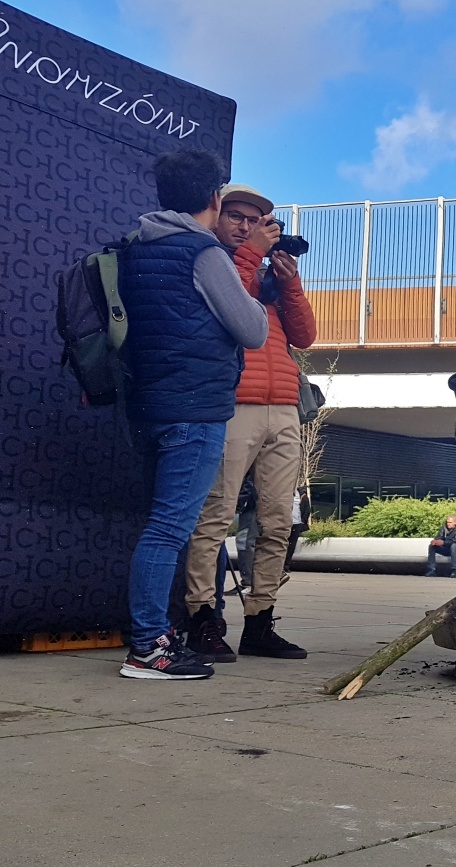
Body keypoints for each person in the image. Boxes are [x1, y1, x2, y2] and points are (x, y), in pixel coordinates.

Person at [117, 150, 269, 680]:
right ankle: (149, 648)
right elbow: (253, 330)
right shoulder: (203, 253)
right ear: (213, 200)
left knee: (158, 525)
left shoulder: (136, 246)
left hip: (148, 406)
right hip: (194, 408)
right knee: (169, 529)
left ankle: (152, 636)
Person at [181, 182, 317, 663]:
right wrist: (250, 257)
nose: (246, 227)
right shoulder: (212, 261)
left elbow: (304, 336)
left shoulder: (265, 275)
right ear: (217, 215)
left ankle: (259, 623)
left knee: (278, 521)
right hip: (233, 404)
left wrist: (289, 280)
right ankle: (202, 621)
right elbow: (224, 310)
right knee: (215, 516)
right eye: (237, 217)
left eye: (256, 221)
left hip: (283, 406)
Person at [283, 486, 311, 575]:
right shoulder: (284, 493)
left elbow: (307, 510)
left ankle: (286, 565)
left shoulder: (302, 496)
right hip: (285, 523)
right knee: (282, 544)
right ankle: (280, 565)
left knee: (291, 546)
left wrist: (302, 521)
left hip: (297, 523)